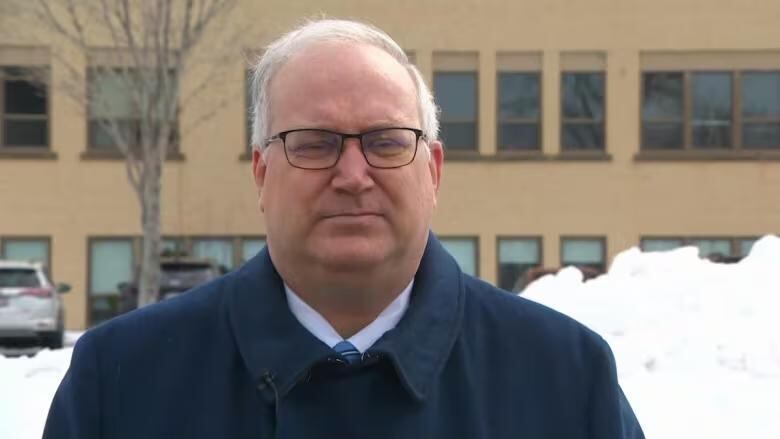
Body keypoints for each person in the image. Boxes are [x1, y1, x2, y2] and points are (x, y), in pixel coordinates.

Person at [44, 19, 644, 438]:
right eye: (314, 143)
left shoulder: (565, 377)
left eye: (386, 142)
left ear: (432, 171)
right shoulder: (121, 382)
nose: (353, 175)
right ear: (261, 172)